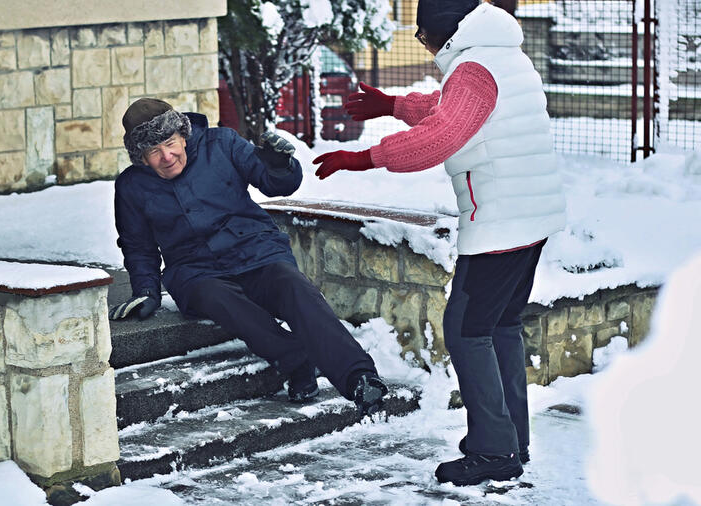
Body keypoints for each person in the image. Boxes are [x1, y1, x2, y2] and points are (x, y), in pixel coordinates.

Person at [313, 0, 566, 486]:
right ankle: (510, 438)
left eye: (421, 34)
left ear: (444, 32)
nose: (421, 44)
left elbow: (443, 134)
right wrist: (392, 106)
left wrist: (363, 158)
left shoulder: (473, 67)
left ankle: (494, 451)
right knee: (499, 327)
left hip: (500, 222)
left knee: (467, 328)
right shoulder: (502, 53)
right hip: (530, 217)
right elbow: (455, 109)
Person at [110, 97, 388, 417]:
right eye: (154, 151)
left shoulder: (223, 143)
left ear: (182, 135)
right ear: (140, 157)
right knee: (218, 298)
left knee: (294, 288)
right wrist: (146, 290)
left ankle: (359, 377)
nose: (167, 156)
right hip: (195, 270)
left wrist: (278, 164)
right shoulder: (131, 186)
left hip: (256, 249)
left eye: (170, 144)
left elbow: (276, 184)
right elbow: (138, 245)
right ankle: (296, 361)